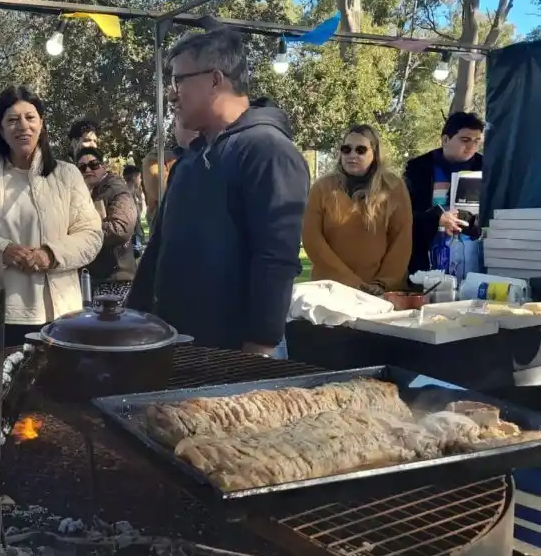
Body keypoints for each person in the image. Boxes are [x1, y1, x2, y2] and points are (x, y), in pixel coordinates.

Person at [126, 28, 308, 356]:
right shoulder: (191, 159)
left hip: (237, 356)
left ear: (215, 79)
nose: (171, 94)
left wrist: (259, 349)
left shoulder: (267, 150)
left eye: (179, 80)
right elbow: (157, 250)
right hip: (180, 347)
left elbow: (275, 259)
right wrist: (133, 321)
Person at [0, 86, 102, 349]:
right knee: (2, 387)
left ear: (41, 123)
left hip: (61, 311)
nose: (22, 126)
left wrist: (50, 253)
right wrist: (3, 250)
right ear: (0, 129)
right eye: (12, 120)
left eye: (30, 117)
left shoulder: (67, 175)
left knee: (58, 387)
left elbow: (91, 234)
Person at [302, 125, 413, 294]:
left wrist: (382, 283)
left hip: (379, 292)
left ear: (374, 153)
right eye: (346, 149)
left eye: (360, 150)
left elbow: (401, 240)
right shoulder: (322, 188)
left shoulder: (393, 187)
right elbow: (312, 240)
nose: (352, 155)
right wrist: (352, 282)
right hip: (330, 289)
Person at [405, 112, 484, 273]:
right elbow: (404, 216)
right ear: (445, 140)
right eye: (465, 140)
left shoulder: (485, 167)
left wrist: (469, 221)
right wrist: (436, 219)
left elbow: (494, 215)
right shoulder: (418, 168)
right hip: (427, 259)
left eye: (477, 141)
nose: (472, 147)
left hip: (473, 258)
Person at [76, 147, 138, 300]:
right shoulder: (85, 192)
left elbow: (121, 229)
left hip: (115, 280)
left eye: (94, 164)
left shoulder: (116, 189)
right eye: (82, 167)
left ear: (103, 166)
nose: (88, 169)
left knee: (109, 323)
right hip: (94, 279)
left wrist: (83, 233)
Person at [141, 117, 197, 227]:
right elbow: (161, 187)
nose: (195, 129)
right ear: (175, 127)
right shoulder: (158, 158)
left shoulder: (214, 154)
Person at [123, 164, 147, 247]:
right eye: (139, 177)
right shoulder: (127, 194)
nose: (140, 180)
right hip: (132, 235)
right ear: (134, 177)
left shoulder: (133, 193)